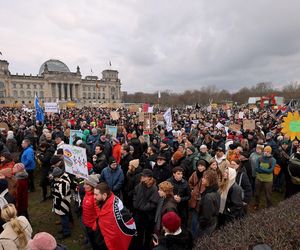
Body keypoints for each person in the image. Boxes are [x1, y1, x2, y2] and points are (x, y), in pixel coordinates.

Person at [94, 182, 136, 250]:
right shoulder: (110, 199)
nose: (94, 197)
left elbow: (114, 233)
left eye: (96, 194)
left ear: (104, 195)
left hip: (106, 242)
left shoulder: (111, 212)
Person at [132, 169, 159, 249]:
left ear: (150, 178)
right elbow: (135, 195)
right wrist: (135, 204)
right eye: (142, 175)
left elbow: (153, 203)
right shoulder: (139, 185)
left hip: (148, 215)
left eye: (144, 176)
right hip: (138, 214)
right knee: (138, 233)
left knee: (147, 234)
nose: (142, 177)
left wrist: (143, 208)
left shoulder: (154, 188)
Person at [82, 174, 106, 250]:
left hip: (92, 227)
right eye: (84, 184)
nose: (84, 186)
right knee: (91, 240)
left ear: (92, 186)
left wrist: (94, 227)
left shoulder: (95, 198)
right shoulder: (87, 193)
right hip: (86, 223)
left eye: (86, 184)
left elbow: (99, 214)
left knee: (96, 243)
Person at [197, 170, 220, 238]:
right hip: (212, 223)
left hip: (206, 226)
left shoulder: (208, 196)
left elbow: (207, 216)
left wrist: (201, 224)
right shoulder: (215, 191)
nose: (202, 179)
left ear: (210, 180)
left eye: (204, 178)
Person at [188, 160, 208, 237]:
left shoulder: (207, 175)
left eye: (202, 166)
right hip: (194, 199)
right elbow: (190, 182)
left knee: (200, 218)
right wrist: (192, 189)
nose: (200, 167)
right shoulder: (194, 173)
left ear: (205, 167)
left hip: (202, 199)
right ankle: (193, 234)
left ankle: (198, 235)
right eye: (199, 166)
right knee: (194, 217)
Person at [52, 167, 71, 239]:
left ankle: (66, 232)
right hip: (60, 202)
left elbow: (61, 195)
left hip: (63, 203)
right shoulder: (60, 180)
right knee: (63, 217)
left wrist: (54, 191)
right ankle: (64, 229)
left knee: (64, 217)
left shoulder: (63, 182)